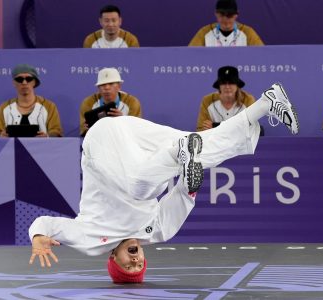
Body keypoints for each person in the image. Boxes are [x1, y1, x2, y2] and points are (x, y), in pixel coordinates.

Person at [28, 82, 299, 284]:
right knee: (208, 147)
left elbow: (46, 225)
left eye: (128, 266)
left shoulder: (91, 241)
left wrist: (39, 239)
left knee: (138, 186)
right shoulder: (159, 231)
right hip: (135, 139)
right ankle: (268, 101)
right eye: (139, 266)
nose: (135, 261)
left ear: (113, 259)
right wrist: (189, 179)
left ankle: (176, 153)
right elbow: (185, 193)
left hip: (103, 142)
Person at [0, 64, 63, 137]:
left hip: (42, 148)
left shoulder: (49, 106)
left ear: (34, 82)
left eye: (28, 79)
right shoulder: (4, 107)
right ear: (14, 83)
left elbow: (56, 132)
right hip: (11, 148)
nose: (24, 83)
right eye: (19, 79)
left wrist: (47, 136)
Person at [79, 67, 142, 136]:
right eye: (103, 85)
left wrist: (122, 121)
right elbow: (84, 132)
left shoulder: (131, 102)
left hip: (124, 141)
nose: (107, 88)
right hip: (98, 141)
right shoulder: (88, 103)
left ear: (119, 86)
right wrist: (88, 129)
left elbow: (136, 131)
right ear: (98, 88)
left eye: (111, 84)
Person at [197, 66, 255, 131]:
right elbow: (201, 129)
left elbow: (251, 127)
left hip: (241, 140)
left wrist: (214, 125)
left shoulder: (248, 100)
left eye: (231, 82)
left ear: (237, 85)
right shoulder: (207, 101)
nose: (227, 86)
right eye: (223, 83)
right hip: (215, 140)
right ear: (219, 86)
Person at [189, 0, 264, 47]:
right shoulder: (204, 33)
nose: (225, 19)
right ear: (216, 14)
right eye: (222, 15)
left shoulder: (248, 33)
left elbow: (261, 55)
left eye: (229, 15)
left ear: (236, 14)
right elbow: (190, 55)